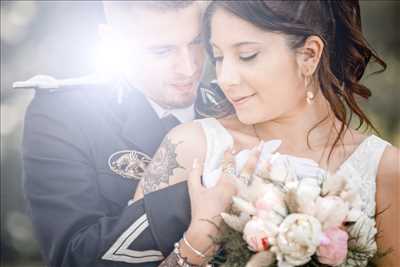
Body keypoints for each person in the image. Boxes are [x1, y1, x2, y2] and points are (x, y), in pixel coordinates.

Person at [133, 1, 400, 266]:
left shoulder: (383, 169)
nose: (225, 78)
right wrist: (199, 238)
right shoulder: (190, 148)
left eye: (247, 55)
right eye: (218, 57)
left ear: (309, 55)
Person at [22, 1, 207, 266]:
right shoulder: (63, 115)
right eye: (162, 51)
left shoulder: (240, 104)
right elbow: (74, 257)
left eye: (197, 41)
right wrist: (201, 198)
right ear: (113, 40)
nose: (189, 67)